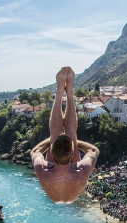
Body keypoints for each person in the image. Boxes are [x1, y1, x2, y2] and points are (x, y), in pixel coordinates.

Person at [31, 67, 99, 203]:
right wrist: (70, 141)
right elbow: (93, 151)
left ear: (51, 150)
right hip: (73, 183)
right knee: (69, 134)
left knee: (59, 134)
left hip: (53, 186)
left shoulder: (42, 169)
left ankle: (60, 92)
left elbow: (35, 151)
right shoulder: (81, 171)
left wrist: (56, 140)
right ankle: (66, 92)